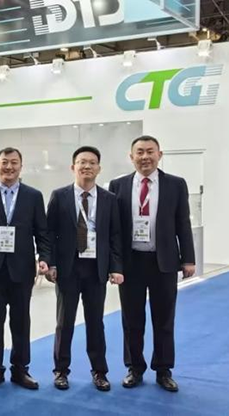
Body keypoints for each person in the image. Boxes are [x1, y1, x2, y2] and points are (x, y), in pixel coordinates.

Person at [109, 135, 195, 392]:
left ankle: (163, 370)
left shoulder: (175, 184)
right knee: (131, 320)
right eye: (140, 152)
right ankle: (134, 368)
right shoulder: (118, 185)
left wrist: (188, 258)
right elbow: (113, 229)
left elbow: (183, 222)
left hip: (163, 262)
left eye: (150, 151)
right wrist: (114, 264)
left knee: (164, 319)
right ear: (131, 156)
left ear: (160, 154)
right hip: (131, 263)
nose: (145, 157)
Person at [0, 147, 51, 390]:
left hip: (22, 269)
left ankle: (20, 369)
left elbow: (42, 232)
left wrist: (44, 257)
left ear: (21, 166)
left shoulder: (33, 196)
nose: (9, 167)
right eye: (4, 162)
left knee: (21, 322)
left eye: (14, 162)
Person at [46, 146, 124, 391]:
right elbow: (49, 233)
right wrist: (51, 263)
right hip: (67, 269)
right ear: (73, 167)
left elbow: (115, 236)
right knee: (64, 322)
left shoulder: (109, 199)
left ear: (99, 168)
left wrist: (116, 267)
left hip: (96, 269)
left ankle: (99, 371)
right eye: (82, 162)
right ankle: (61, 371)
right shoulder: (59, 196)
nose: (87, 166)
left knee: (95, 323)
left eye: (92, 162)